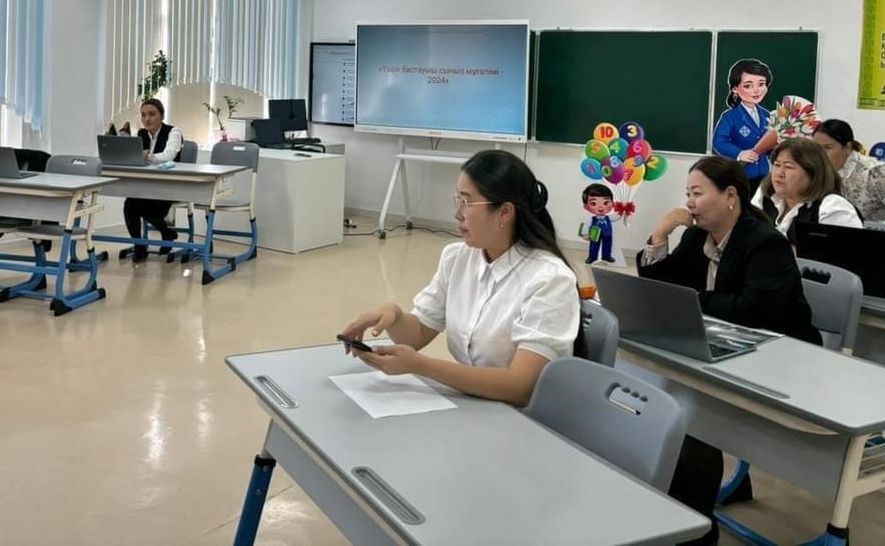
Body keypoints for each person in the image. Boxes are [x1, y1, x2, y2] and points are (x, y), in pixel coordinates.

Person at [638, 155, 820, 542]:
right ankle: (688, 518)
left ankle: (695, 528)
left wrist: (692, 300)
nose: (689, 203)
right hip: (724, 349)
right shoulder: (695, 236)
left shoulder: (765, 242)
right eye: (687, 194)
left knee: (691, 420)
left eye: (697, 193)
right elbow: (661, 286)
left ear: (731, 196)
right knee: (682, 412)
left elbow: (753, 312)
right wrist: (659, 235)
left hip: (781, 359)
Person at [341, 150, 581, 408]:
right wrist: (394, 314)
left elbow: (520, 387)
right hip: (475, 405)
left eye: (467, 202)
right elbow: (417, 334)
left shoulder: (550, 279)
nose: (457, 213)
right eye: (457, 199)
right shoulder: (458, 257)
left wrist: (421, 366)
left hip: (525, 417)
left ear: (505, 212)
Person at [814, 119, 885, 229]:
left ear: (848, 147)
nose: (820, 154)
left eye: (827, 148)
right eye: (816, 148)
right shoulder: (815, 172)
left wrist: (883, 228)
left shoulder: (874, 172)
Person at [751, 138, 862, 244]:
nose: (779, 173)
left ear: (812, 173)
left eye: (788, 167)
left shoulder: (832, 206)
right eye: (777, 165)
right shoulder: (765, 194)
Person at [123, 98, 184, 263]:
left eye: (151, 114)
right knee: (130, 204)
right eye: (143, 115)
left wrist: (148, 157)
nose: (147, 119)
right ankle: (140, 247)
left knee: (143, 207)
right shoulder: (141, 134)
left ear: (161, 116)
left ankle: (166, 233)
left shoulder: (174, 132)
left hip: (169, 185)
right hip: (147, 184)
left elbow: (169, 156)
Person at [712, 58, 773, 191]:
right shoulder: (730, 116)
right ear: (735, 88)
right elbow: (719, 141)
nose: (756, 90)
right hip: (740, 175)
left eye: (761, 84)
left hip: (763, 174)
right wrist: (740, 153)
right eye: (748, 86)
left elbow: (768, 146)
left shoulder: (767, 115)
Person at [580, 182, 615, 265]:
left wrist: (623, 212)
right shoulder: (591, 219)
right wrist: (585, 234)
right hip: (595, 235)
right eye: (593, 203)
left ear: (612, 203)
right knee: (593, 246)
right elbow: (586, 225)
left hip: (607, 235)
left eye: (606, 203)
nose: (600, 207)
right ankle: (592, 257)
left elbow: (617, 217)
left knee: (608, 245)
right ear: (586, 206)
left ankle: (606, 256)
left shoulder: (609, 218)